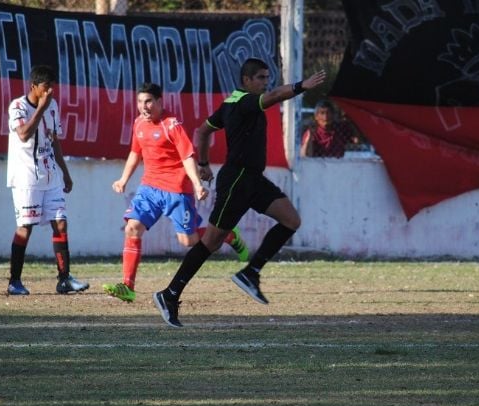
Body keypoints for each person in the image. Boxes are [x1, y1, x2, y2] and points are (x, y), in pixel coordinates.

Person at [152, 58, 326, 327]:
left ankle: (251, 272)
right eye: (260, 78)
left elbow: (203, 131)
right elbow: (274, 96)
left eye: (267, 77)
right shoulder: (244, 101)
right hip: (237, 180)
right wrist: (302, 85)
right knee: (211, 241)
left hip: (253, 179)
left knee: (291, 220)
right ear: (246, 80)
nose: (265, 82)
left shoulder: (230, 102)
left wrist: (204, 163)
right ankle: (170, 294)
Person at [101, 83, 249, 303]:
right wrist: (123, 179)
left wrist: (197, 184)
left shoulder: (172, 125)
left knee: (188, 241)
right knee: (132, 228)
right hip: (149, 188)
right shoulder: (139, 123)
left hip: (176, 189)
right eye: (140, 102)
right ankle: (128, 286)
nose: (144, 106)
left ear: (160, 102)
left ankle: (227, 234)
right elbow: (135, 152)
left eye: (148, 101)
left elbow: (187, 156)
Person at [5, 65, 89, 295]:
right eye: (46, 86)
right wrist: (41, 108)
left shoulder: (52, 106)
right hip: (26, 177)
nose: (50, 91)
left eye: (52, 86)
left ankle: (64, 279)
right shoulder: (18, 106)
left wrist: (65, 172)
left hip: (50, 175)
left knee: (60, 222)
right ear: (33, 86)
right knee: (26, 227)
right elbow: (23, 134)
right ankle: (14, 282)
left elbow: (55, 141)